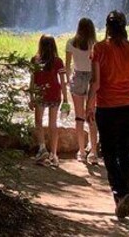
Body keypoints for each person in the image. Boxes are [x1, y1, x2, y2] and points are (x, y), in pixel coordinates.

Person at [87, 11, 129, 220]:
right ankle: (122, 201)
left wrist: (89, 106)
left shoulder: (98, 49)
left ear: (107, 26)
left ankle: (122, 192)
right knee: (125, 153)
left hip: (108, 108)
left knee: (108, 153)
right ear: (125, 26)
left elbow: (95, 83)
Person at [29, 35, 68, 167]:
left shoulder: (35, 60)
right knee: (53, 124)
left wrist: (31, 98)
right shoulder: (58, 61)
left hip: (41, 94)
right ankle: (54, 155)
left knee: (38, 122)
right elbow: (63, 83)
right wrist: (66, 100)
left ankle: (42, 148)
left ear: (40, 45)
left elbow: (32, 81)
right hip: (55, 94)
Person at [66, 17, 99, 164]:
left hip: (78, 77)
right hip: (92, 78)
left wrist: (68, 81)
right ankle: (93, 152)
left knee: (79, 117)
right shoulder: (96, 45)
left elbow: (67, 66)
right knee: (92, 116)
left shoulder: (71, 43)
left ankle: (81, 151)